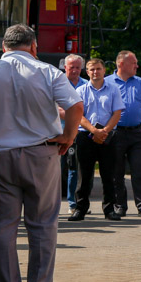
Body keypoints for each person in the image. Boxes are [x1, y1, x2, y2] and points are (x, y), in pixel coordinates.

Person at [0, 24, 83, 282]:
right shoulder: (48, 72)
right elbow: (76, 106)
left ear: (4, 48)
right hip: (41, 155)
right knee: (42, 222)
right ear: (33, 47)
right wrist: (68, 137)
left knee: (2, 224)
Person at [68, 58, 124, 221]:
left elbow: (117, 113)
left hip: (108, 136)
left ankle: (109, 210)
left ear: (104, 70)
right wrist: (94, 130)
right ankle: (80, 209)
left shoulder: (113, 89)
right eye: (92, 69)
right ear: (87, 71)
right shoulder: (81, 91)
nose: (95, 72)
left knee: (109, 174)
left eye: (98, 69)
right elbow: (79, 115)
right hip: (86, 135)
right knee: (84, 175)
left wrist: (104, 131)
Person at [108, 51, 141, 218]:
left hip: (138, 133)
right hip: (116, 133)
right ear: (121, 64)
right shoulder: (107, 82)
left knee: (140, 170)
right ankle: (120, 206)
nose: (137, 65)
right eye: (133, 63)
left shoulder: (140, 82)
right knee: (116, 172)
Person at [58, 54, 86, 217]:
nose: (75, 70)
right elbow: (55, 108)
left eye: (77, 67)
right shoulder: (58, 83)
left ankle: (73, 203)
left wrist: (73, 115)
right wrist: (74, 115)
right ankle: (52, 202)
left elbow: (86, 110)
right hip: (59, 132)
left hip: (79, 133)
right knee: (56, 169)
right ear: (65, 67)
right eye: (71, 67)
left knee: (75, 170)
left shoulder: (86, 85)